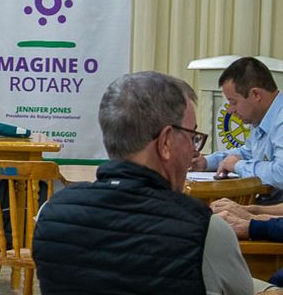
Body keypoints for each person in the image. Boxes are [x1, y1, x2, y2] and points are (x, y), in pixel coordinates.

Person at [33, 71, 268, 295]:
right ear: (165, 142)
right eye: (191, 136)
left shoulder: (50, 214)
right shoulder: (207, 232)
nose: (193, 151)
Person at [192, 57, 283, 202]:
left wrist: (238, 166)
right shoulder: (262, 117)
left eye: (233, 102)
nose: (230, 110)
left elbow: (282, 174)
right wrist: (206, 162)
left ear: (256, 95)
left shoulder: (282, 118)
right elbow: (247, 153)